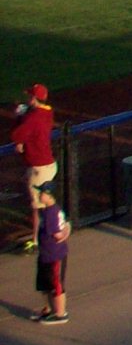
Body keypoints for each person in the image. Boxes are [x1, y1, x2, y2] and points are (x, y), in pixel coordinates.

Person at [11, 84, 57, 242]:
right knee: (46, 201)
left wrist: (19, 117)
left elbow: (17, 135)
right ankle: (54, 229)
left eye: (30, 96)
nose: (28, 98)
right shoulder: (47, 111)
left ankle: (38, 240)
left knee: (39, 206)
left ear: (34, 99)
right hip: (48, 165)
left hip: (39, 168)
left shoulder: (33, 117)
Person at [29, 179, 69, 324]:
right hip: (46, 255)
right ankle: (49, 309)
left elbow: (57, 233)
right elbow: (66, 224)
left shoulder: (51, 213)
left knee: (55, 284)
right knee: (45, 284)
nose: (39, 195)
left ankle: (60, 313)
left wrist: (62, 236)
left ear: (49, 195)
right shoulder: (50, 210)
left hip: (54, 255)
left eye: (41, 193)